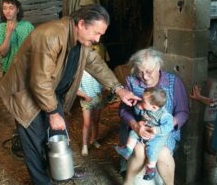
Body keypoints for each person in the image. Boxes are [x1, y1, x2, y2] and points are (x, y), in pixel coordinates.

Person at [0, 4, 141, 185]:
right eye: (96, 33)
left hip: (49, 94)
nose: (98, 39)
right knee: (34, 143)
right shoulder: (50, 36)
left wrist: (119, 89)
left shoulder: (79, 41)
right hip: (27, 95)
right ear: (81, 24)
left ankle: (59, 171)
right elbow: (40, 81)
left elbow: (95, 63)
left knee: (55, 137)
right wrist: (52, 112)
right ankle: (42, 182)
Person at [118, 48, 189, 185]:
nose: (144, 76)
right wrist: (135, 125)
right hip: (140, 128)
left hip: (165, 130)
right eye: (140, 71)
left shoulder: (173, 82)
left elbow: (183, 112)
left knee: (162, 152)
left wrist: (166, 125)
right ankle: (128, 182)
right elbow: (123, 110)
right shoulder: (132, 81)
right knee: (138, 150)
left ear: (158, 66)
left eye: (149, 71)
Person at [115, 87, 174, 180]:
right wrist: (138, 108)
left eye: (144, 102)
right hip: (144, 129)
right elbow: (139, 115)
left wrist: (157, 130)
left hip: (157, 136)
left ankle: (151, 168)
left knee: (152, 149)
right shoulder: (147, 107)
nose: (142, 102)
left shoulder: (164, 115)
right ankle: (128, 150)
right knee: (133, 133)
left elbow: (169, 126)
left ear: (154, 107)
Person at [0, 0, 34, 75]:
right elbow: (3, 52)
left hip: (27, 68)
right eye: (5, 8)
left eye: (11, 8)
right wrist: (9, 33)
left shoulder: (27, 26)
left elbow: (35, 46)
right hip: (9, 71)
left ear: (17, 10)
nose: (7, 11)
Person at [77, 69, 103, 156]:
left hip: (98, 99)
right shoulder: (80, 72)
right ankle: (84, 145)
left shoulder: (96, 70)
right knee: (87, 123)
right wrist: (84, 96)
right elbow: (76, 89)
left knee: (96, 121)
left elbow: (101, 83)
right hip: (86, 101)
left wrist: (101, 92)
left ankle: (94, 139)